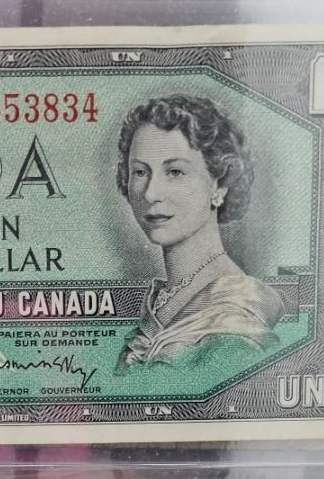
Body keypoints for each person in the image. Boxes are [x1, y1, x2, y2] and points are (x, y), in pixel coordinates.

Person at [115, 95, 285, 371]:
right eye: (140, 172)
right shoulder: (161, 302)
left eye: (175, 172)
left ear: (220, 184)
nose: (150, 193)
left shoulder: (236, 328)